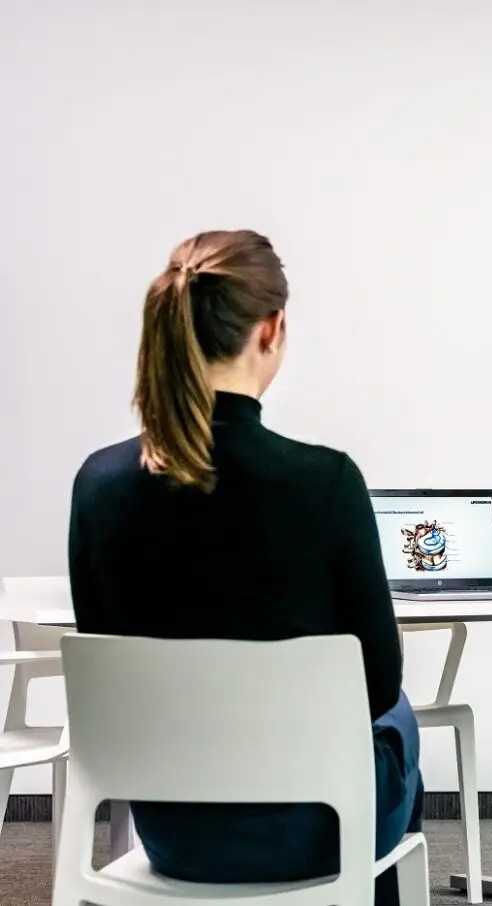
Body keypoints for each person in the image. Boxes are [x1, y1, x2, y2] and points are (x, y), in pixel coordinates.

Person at [67, 230, 422, 905]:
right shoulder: (326, 482)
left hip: (173, 833)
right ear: (273, 328)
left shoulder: (99, 482)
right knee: (398, 719)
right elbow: (375, 686)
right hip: (319, 828)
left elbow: (110, 656)